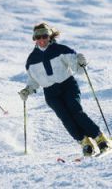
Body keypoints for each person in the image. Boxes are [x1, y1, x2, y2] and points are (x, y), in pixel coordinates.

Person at [19, 22, 111, 156]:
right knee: (65, 117)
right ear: (35, 39)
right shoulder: (31, 60)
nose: (42, 40)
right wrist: (27, 90)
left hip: (67, 85)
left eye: (44, 36)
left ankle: (101, 139)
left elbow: (78, 69)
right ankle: (85, 143)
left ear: (50, 36)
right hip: (50, 93)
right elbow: (33, 81)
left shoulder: (61, 50)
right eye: (38, 37)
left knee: (75, 110)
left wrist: (80, 62)